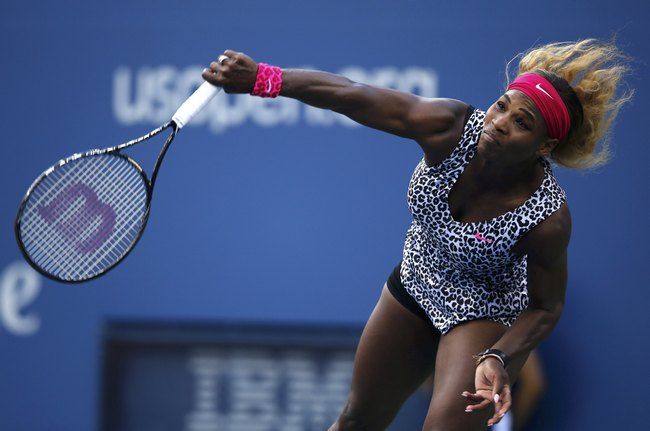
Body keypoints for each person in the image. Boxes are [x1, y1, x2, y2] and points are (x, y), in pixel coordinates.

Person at [201, 39, 631, 430]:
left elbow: (546, 307)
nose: (499, 123)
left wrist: (501, 355)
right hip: (417, 278)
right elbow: (352, 94)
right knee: (356, 420)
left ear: (544, 146)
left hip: (485, 308)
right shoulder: (450, 126)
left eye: (521, 122)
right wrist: (265, 78)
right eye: (501, 106)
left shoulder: (548, 217)